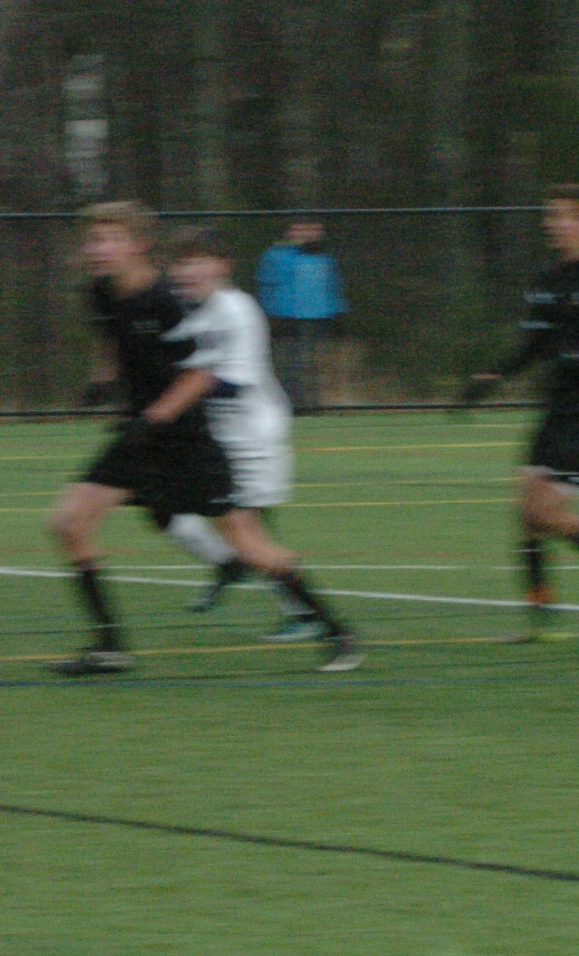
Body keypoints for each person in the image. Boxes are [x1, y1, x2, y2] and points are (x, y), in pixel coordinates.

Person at [47, 202, 361, 676]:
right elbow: (111, 338)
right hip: (140, 438)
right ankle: (109, 646)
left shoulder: (165, 301)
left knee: (248, 544)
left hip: (187, 442)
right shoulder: (101, 291)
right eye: (93, 239)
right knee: (69, 524)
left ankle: (338, 633)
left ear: (139, 245)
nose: (97, 248)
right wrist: (101, 381)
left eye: (110, 238)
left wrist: (155, 417)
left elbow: (200, 373)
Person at [462, 187, 579, 640]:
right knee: (526, 512)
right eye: (552, 216)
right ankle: (543, 617)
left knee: (545, 513)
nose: (554, 224)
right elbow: (534, 345)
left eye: (566, 216)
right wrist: (491, 376)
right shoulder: (547, 280)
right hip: (557, 404)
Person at [156, 228, 321, 640]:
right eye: (181, 263)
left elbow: (232, 384)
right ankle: (229, 564)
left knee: (249, 529)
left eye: (198, 261)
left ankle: (304, 613)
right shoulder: (188, 311)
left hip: (251, 435)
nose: (187, 271)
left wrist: (173, 392)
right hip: (213, 435)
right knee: (165, 506)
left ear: (223, 266)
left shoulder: (236, 309)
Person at [256, 219, 345, 412]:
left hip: (317, 318)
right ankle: (293, 404)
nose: (308, 234)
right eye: (302, 229)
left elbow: (332, 288)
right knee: (290, 363)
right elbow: (266, 285)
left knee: (311, 364)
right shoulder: (276, 256)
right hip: (286, 317)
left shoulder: (325, 258)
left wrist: (336, 311)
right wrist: (268, 313)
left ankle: (310, 405)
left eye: (313, 229)